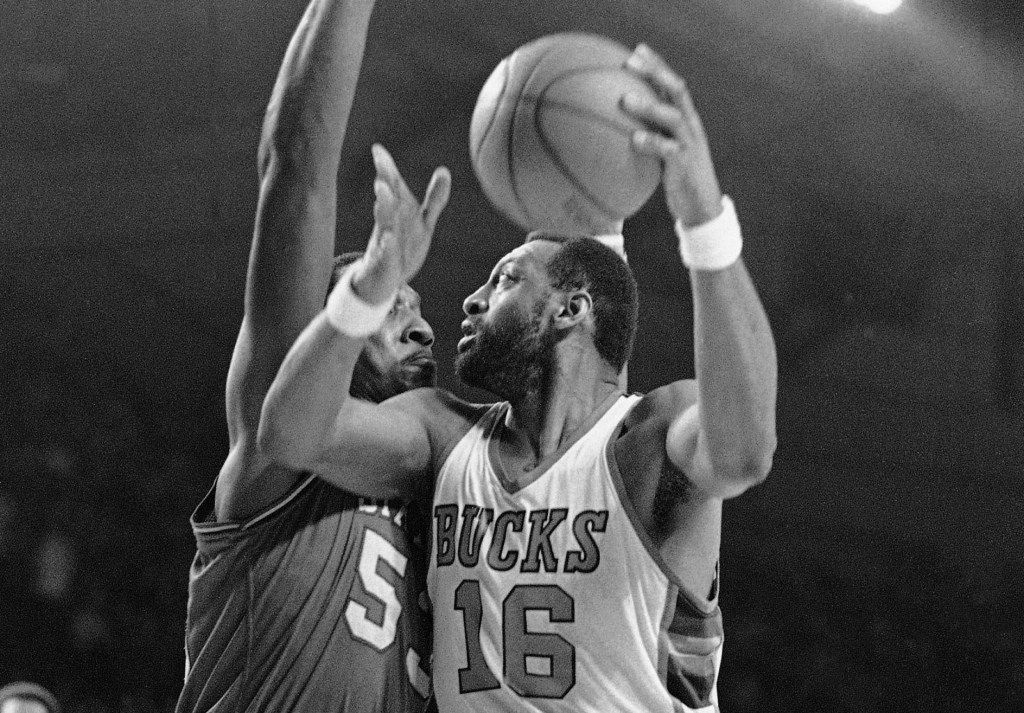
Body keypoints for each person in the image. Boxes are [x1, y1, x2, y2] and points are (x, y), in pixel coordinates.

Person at [259, 42, 777, 713]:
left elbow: (746, 450)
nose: (470, 301)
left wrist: (704, 220)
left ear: (573, 309)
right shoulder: (441, 434)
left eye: (504, 279)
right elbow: (289, 432)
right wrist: (368, 286)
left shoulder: (645, 439)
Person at [174, 0, 450, 710]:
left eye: (420, 315)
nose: (423, 332)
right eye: (395, 308)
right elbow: (294, 170)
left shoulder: (447, 494)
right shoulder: (281, 456)